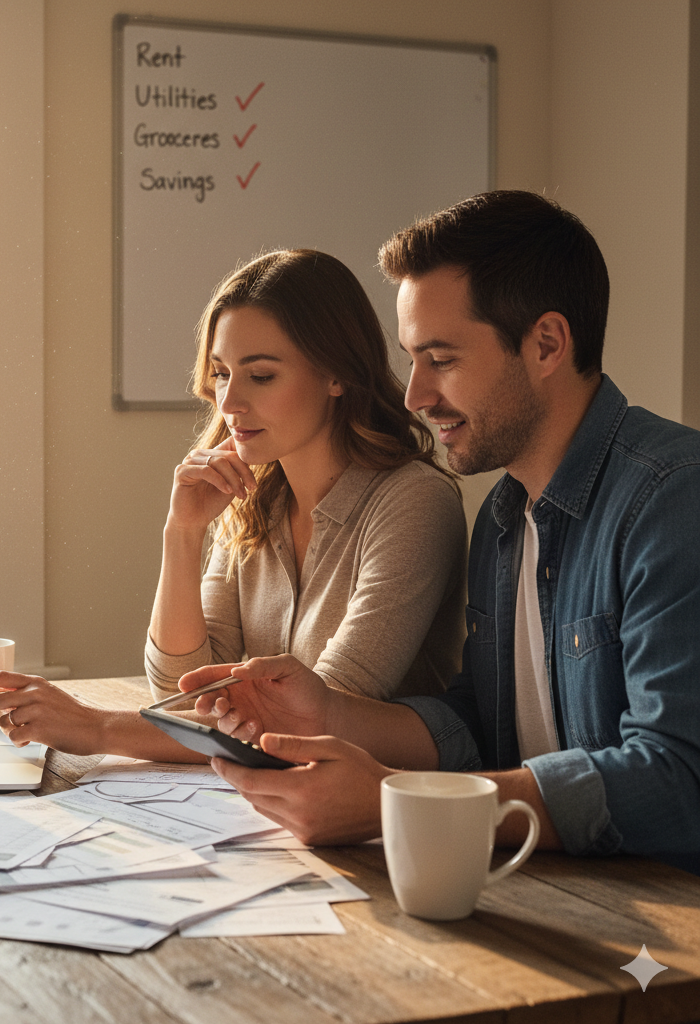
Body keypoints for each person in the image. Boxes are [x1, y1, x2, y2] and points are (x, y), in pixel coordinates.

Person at [187, 191, 700, 874]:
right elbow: (480, 728)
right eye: (412, 359)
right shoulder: (501, 518)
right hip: (555, 890)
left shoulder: (672, 498)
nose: (414, 396)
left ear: (546, 344)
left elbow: (675, 781)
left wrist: (399, 806)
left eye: (442, 359)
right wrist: (330, 713)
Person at [0, 248, 466, 763]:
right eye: (222, 374)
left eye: (261, 375)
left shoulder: (415, 503)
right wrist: (182, 532)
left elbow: (315, 719)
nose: (228, 404)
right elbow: (179, 690)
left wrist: (97, 728)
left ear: (336, 374)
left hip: (387, 817)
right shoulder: (254, 499)